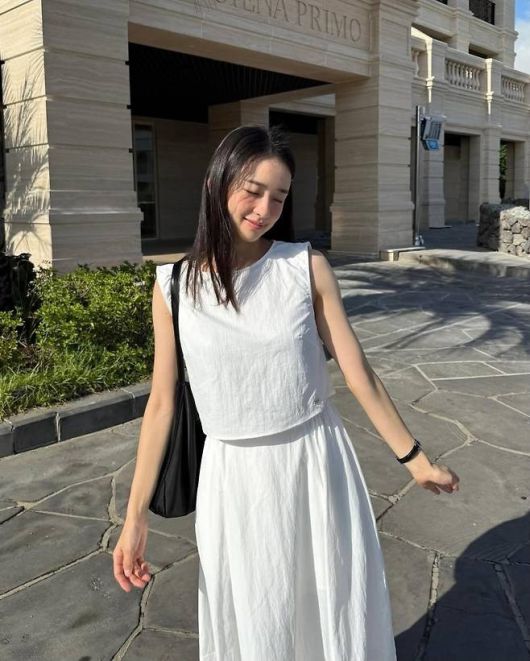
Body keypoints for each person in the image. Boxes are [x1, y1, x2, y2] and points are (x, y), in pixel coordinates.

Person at [113, 124, 460, 660]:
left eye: (279, 196)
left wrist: (415, 460)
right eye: (253, 190)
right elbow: (162, 405)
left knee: (329, 604)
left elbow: (358, 372)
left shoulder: (304, 267)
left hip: (313, 463)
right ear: (217, 183)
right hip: (232, 479)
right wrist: (134, 519)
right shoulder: (173, 286)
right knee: (258, 616)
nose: (264, 209)